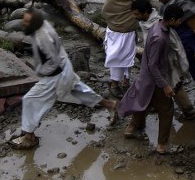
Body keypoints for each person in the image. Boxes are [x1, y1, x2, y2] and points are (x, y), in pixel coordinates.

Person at [12, 8, 117, 149]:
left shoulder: (43, 38)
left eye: (26, 21)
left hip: (56, 74)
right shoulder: (42, 26)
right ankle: (110, 105)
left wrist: (43, 74)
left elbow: (53, 63)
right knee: (81, 91)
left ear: (34, 24)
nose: (22, 23)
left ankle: (29, 137)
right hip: (64, 65)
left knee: (30, 99)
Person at [118, 3, 185, 154]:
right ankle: (161, 145)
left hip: (146, 78)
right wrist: (165, 85)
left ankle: (131, 128)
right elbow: (153, 65)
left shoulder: (157, 25)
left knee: (143, 103)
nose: (180, 23)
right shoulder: (160, 37)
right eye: (179, 20)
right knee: (167, 110)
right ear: (173, 19)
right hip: (155, 79)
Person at [101, 0, 146, 97]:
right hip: (116, 34)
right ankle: (114, 84)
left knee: (129, 58)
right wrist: (119, 21)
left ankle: (126, 82)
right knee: (116, 59)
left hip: (130, 33)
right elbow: (105, 13)